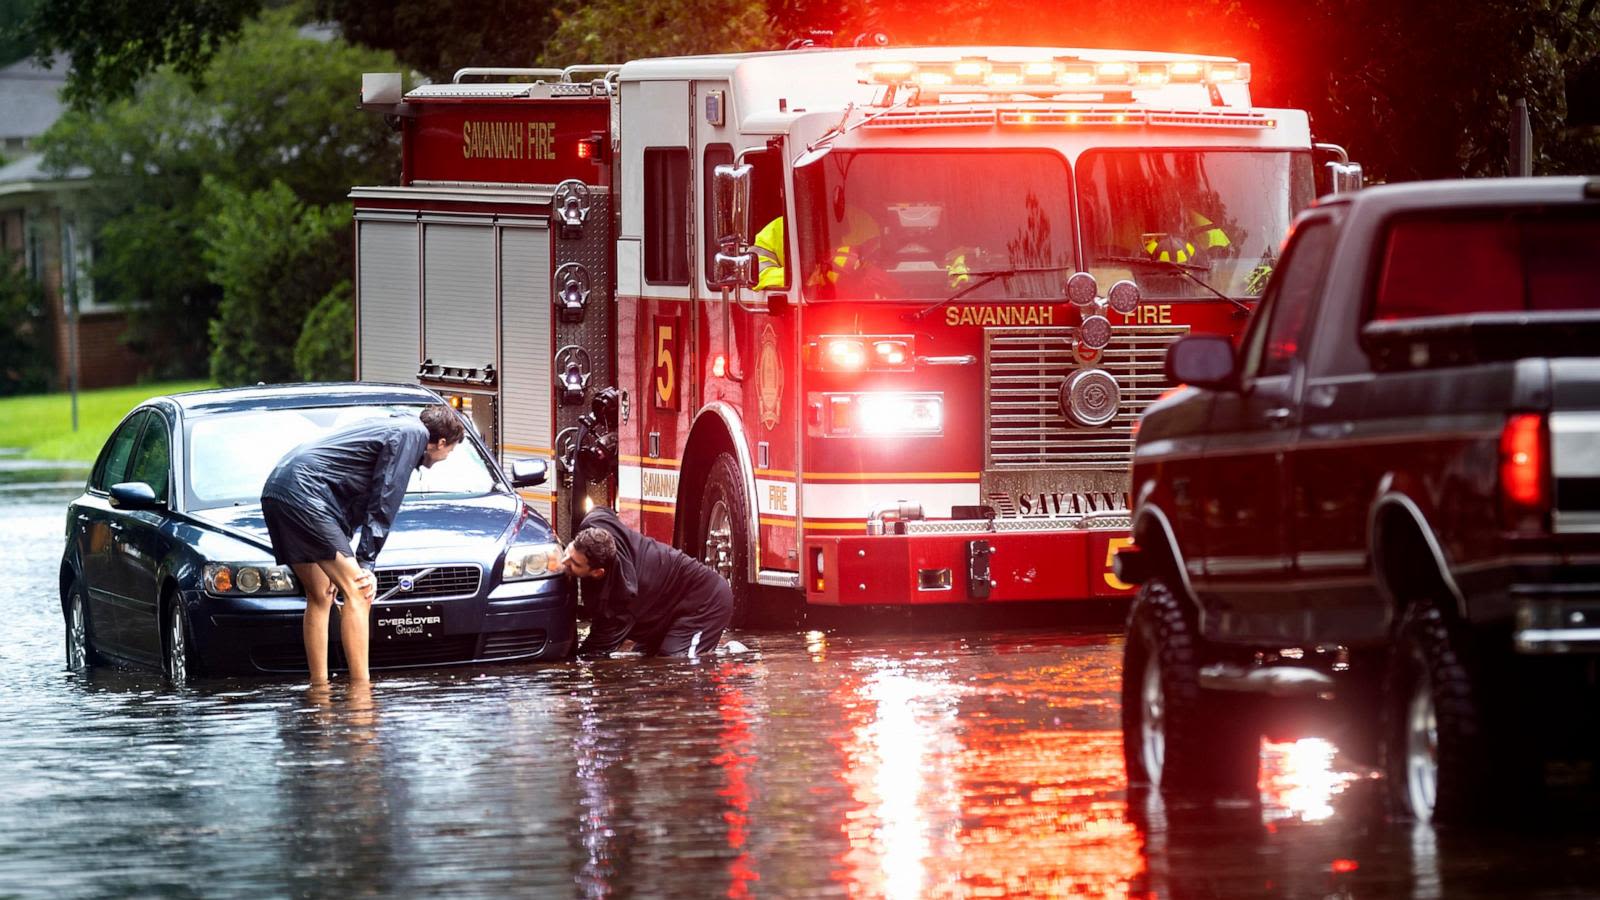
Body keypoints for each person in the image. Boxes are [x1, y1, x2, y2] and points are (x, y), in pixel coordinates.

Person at [261, 404, 464, 684]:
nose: (445, 457)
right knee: (360, 591)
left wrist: (345, 550)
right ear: (441, 442)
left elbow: (348, 495)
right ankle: (361, 691)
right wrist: (366, 562)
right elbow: (386, 496)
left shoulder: (394, 426)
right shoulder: (412, 433)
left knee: (320, 594)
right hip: (305, 493)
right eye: (450, 451)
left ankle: (319, 688)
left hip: (278, 489)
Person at [562, 506, 734, 659]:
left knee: (676, 663)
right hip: (666, 607)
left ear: (597, 572)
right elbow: (602, 509)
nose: (564, 562)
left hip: (708, 601)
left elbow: (596, 649)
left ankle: (731, 655)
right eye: (568, 552)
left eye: (574, 564)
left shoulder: (620, 599)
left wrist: (573, 671)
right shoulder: (595, 521)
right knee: (643, 658)